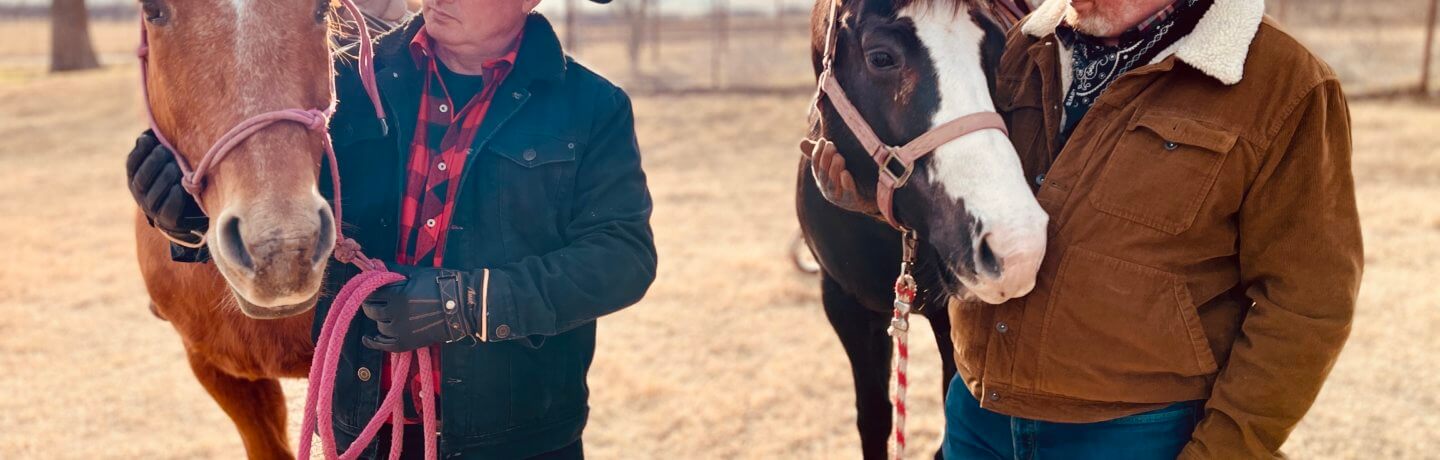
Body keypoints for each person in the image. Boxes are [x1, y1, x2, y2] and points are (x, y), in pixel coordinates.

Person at [810, 0, 1362, 458]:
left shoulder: (1283, 86)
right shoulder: (1024, 48)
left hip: (1137, 435)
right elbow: (973, 184)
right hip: (977, 419)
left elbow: (1307, 306)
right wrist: (880, 201)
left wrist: (1224, 450)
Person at [124, 0, 653, 458]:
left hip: (521, 435)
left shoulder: (592, 108)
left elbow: (622, 258)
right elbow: (282, 195)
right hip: (371, 428)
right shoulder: (350, 82)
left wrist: (466, 304)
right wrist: (191, 217)